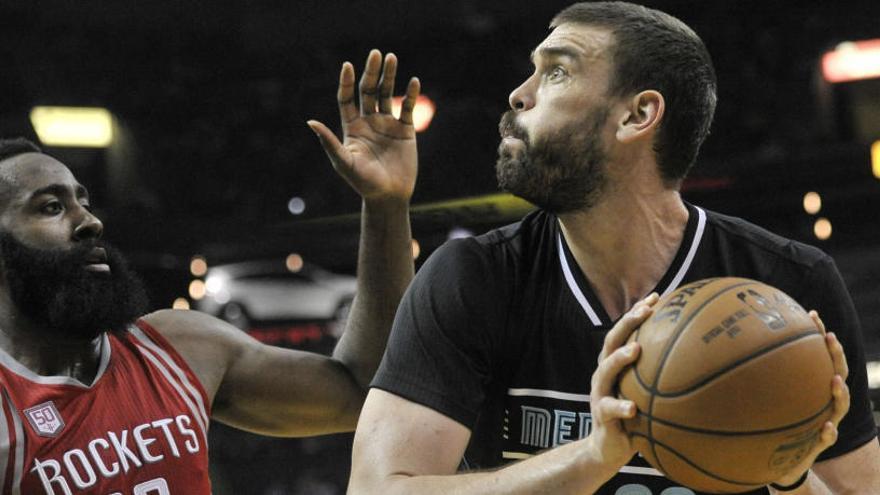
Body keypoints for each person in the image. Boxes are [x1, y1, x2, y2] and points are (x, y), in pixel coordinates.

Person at [346, 3, 880, 494]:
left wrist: (788, 477)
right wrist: (594, 456)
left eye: (556, 71)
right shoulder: (472, 278)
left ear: (637, 114)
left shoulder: (788, 285)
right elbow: (374, 490)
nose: (520, 93)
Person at [0, 49, 418, 494]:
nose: (89, 221)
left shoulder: (179, 347)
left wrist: (386, 205)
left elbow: (361, 391)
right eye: (51, 207)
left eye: (84, 201)